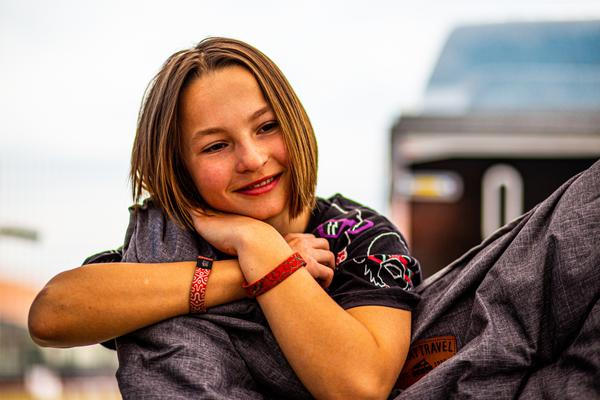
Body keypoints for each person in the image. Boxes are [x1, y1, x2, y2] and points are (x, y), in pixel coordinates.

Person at [28, 37, 422, 400]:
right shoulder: (169, 243)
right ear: (180, 168)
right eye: (216, 146)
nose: (252, 159)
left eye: (267, 127)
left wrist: (265, 257)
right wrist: (261, 257)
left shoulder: (359, 235)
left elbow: (360, 386)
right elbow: (53, 314)